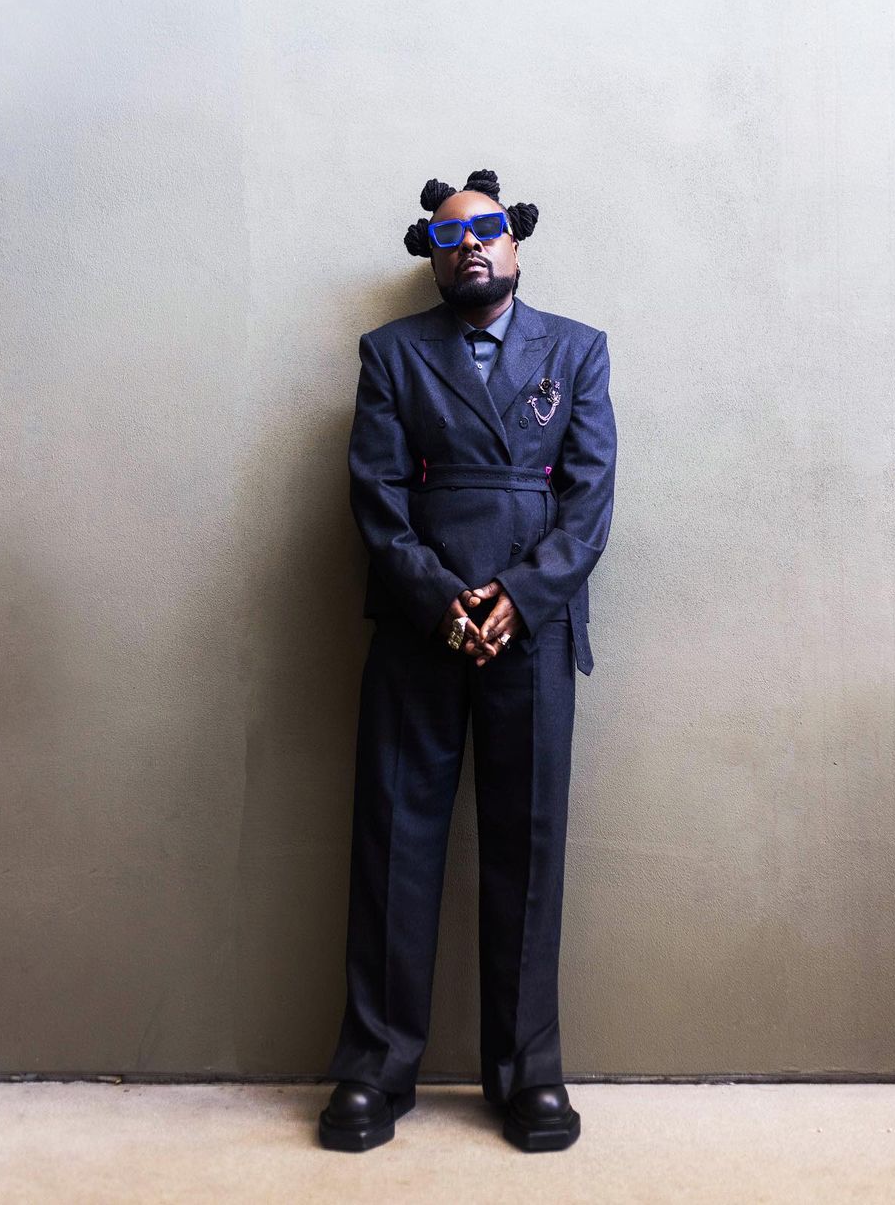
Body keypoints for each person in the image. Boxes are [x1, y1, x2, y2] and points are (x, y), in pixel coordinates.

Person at [318, 169, 617, 1153]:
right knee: (394, 849)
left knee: (528, 852)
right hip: (422, 628)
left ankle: (529, 1075)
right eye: (450, 236)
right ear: (432, 257)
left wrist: (519, 600)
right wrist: (444, 601)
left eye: (488, 229)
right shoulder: (392, 354)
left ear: (516, 242)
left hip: (532, 628)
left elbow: (588, 503)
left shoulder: (576, 350)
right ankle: (375, 1069)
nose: (472, 245)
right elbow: (376, 498)